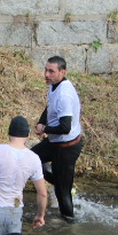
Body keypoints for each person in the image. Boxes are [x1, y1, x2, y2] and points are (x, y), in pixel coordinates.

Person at [32, 55, 84, 223]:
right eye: (46, 70)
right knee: (32, 159)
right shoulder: (54, 86)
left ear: (63, 72)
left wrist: (45, 129)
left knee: (63, 193)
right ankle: (61, 182)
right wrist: (41, 121)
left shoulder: (64, 95)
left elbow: (65, 127)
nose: (47, 74)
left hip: (67, 146)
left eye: (51, 71)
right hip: (55, 142)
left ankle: (69, 221)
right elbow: (49, 108)